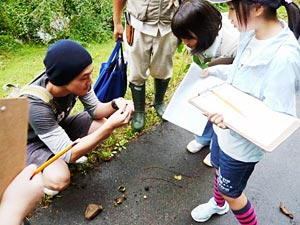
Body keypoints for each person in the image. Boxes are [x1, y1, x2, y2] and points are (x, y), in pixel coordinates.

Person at [189, 0, 300, 224]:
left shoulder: (284, 57)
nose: (228, 16)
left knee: (232, 193)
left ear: (257, 7)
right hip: (224, 132)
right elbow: (241, 73)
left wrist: (230, 120)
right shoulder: (250, 33)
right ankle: (217, 204)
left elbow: (277, 120)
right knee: (218, 170)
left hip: (241, 147)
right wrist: (215, 71)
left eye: (231, 8)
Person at [25, 39, 134, 196]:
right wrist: (110, 126)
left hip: (57, 126)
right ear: (63, 80)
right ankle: (38, 177)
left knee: (100, 124)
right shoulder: (36, 105)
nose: (90, 82)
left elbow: (96, 110)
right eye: (84, 77)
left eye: (90, 74)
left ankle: (57, 153)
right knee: (59, 179)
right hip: (31, 143)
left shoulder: (77, 83)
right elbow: (69, 155)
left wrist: (117, 103)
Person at [171, 0, 239, 167]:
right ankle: (202, 138)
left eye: (189, 38)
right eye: (182, 37)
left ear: (205, 31)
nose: (185, 42)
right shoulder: (196, 37)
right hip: (208, 75)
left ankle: (216, 149)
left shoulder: (234, 42)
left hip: (229, 80)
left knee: (220, 115)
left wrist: (217, 70)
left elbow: (240, 71)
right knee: (203, 107)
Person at [113, 0, 179, 132]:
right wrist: (117, 23)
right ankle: (139, 110)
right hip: (137, 25)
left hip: (168, 26)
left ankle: (159, 102)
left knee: (163, 68)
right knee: (137, 72)